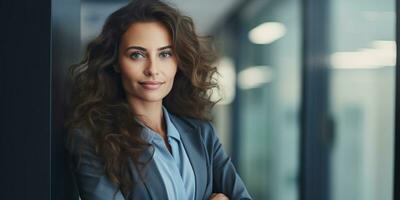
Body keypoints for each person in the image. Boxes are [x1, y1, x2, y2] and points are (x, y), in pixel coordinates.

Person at [65, 0, 252, 199]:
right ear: (116, 62)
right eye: (137, 55)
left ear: (178, 61)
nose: (153, 69)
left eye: (165, 54)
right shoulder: (92, 140)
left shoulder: (202, 134)